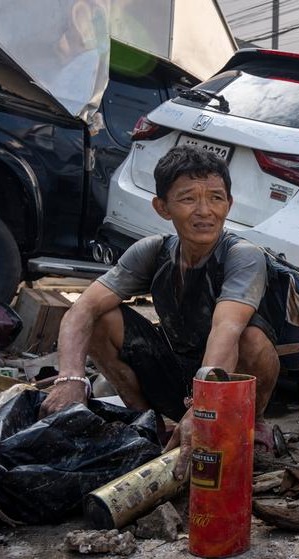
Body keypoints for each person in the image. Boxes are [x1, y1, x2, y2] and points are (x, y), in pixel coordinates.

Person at [40, 145, 281, 477]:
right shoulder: (152, 252)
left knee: (253, 340)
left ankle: (253, 425)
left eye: (215, 198)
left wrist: (204, 408)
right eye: (188, 199)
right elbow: (82, 309)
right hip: (174, 372)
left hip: (226, 382)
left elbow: (226, 328)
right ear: (162, 207)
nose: (204, 211)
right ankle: (149, 427)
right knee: (100, 318)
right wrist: (70, 379)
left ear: (229, 204)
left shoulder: (242, 256)